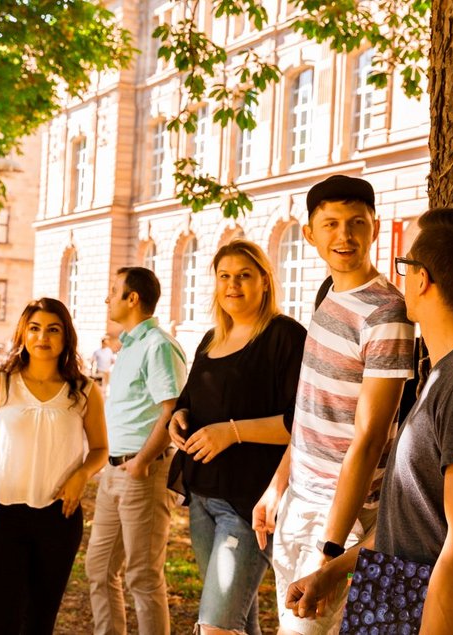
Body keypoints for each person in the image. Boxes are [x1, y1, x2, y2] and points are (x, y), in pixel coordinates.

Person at [286, 208, 453, 633]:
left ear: (421, 279)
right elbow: (417, 521)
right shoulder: (449, 374)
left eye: (402, 265)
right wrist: (333, 571)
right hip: (394, 603)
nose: (397, 278)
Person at [252, 175, 414, 634]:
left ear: (375, 227)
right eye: (331, 224)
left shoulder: (387, 314)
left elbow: (368, 436)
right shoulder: (328, 293)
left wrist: (331, 551)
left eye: (356, 222)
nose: (344, 236)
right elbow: (313, 408)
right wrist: (277, 485)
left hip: (338, 516)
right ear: (310, 233)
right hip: (299, 501)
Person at [169, 240, 307, 635]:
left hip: (250, 503)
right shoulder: (211, 339)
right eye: (225, 276)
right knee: (237, 622)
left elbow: (300, 421)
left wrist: (231, 433)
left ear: (264, 281)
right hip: (202, 497)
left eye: (244, 275)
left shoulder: (286, 336)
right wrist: (178, 417)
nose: (233, 285)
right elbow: (190, 399)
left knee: (214, 627)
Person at [0, 298, 108, 633]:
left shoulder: (83, 391)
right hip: (2, 515)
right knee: (0, 623)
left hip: (59, 517)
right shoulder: (1, 384)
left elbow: (100, 449)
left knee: (39, 623)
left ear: (66, 337)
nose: (43, 337)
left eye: (53, 329)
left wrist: (82, 474)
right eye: (35, 328)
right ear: (23, 334)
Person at [86, 266, 187, 635]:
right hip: (114, 472)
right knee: (98, 569)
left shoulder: (158, 344)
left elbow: (173, 411)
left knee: (143, 576)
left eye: (114, 291)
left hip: (142, 472)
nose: (107, 298)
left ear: (133, 298)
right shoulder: (128, 345)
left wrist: (142, 462)